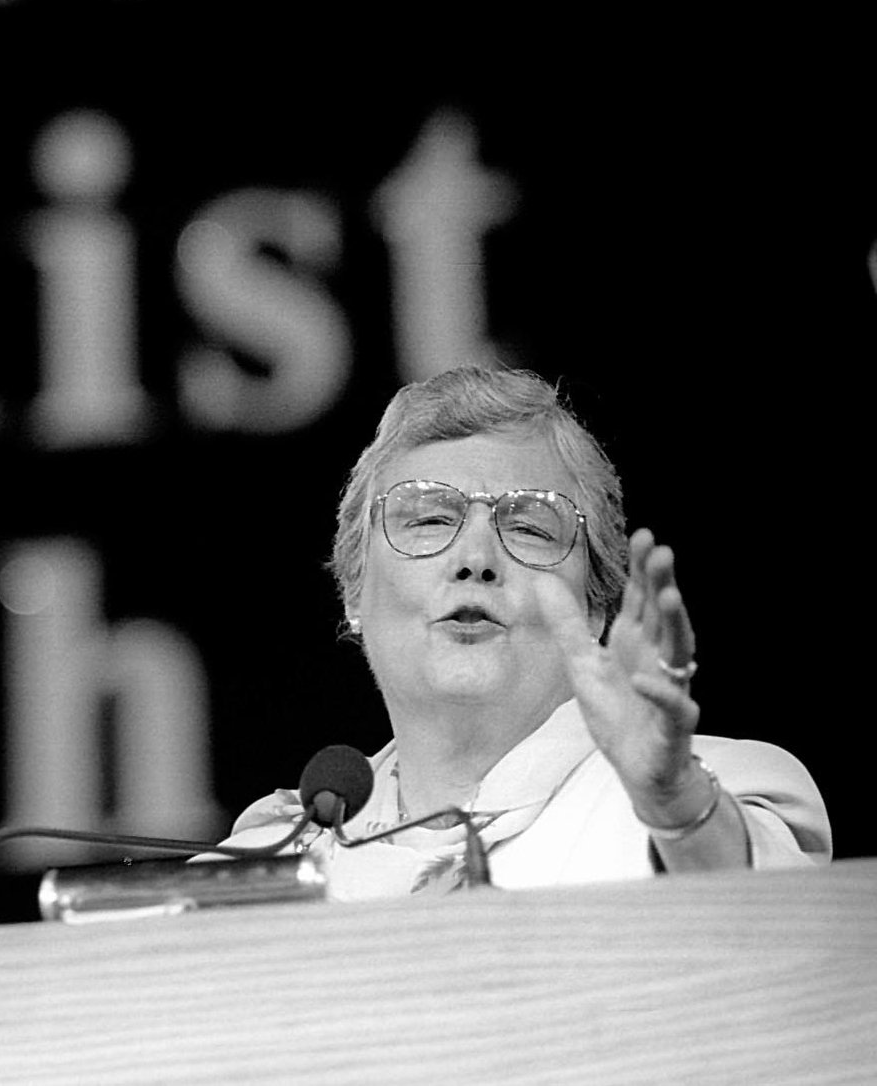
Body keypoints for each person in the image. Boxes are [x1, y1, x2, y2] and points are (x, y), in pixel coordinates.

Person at [213, 365, 830, 900]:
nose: (475, 557)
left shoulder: (717, 791)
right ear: (354, 592)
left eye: (532, 529)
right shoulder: (258, 869)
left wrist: (675, 806)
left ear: (593, 612)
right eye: (428, 519)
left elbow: (789, 944)